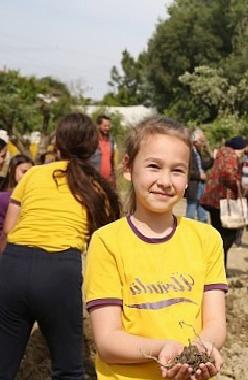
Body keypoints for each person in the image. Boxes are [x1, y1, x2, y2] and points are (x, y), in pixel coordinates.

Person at [84, 116, 226, 380]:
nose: (165, 181)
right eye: (153, 166)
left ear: (187, 178)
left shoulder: (207, 239)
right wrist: (161, 348)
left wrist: (204, 346)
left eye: (177, 170)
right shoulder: (107, 242)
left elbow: (216, 324)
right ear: (128, 167)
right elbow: (107, 341)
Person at [0, 113, 121, 379]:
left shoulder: (33, 175)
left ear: (59, 141)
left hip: (12, 266)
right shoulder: (97, 188)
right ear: (92, 147)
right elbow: (104, 243)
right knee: (68, 369)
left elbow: (9, 228)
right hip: (59, 272)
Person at [200, 136, 246, 269]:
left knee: (218, 235)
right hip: (222, 201)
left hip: (213, 200)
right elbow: (228, 175)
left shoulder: (221, 154)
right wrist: (239, 183)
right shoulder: (231, 156)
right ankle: (220, 269)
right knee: (226, 237)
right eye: (242, 150)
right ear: (238, 148)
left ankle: (217, 267)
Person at [186, 129, 213, 223]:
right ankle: (188, 230)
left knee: (201, 206)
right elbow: (187, 170)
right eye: (201, 141)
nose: (202, 143)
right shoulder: (188, 151)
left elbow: (203, 166)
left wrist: (212, 157)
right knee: (192, 208)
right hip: (194, 185)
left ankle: (203, 228)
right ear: (195, 140)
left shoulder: (197, 152)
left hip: (200, 184)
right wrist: (199, 175)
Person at [0, 155, 33, 231]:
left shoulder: (33, 197)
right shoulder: (2, 198)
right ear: (11, 170)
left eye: (31, 172)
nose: (27, 175)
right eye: (24, 171)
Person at [90, 115, 117, 185]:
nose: (107, 128)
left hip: (109, 181)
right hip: (95, 180)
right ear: (98, 125)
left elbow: (112, 160)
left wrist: (113, 178)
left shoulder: (111, 140)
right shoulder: (91, 140)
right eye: (105, 126)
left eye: (108, 126)